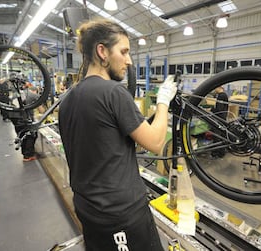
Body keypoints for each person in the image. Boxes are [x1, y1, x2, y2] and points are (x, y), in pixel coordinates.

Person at [58, 19, 177, 251]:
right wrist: (163, 103)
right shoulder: (113, 93)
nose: (129, 61)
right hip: (120, 215)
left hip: (88, 208)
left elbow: (103, 143)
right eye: (123, 52)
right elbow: (155, 142)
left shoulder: (68, 99)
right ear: (102, 51)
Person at [10, 86, 45, 161]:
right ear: (35, 91)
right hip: (23, 118)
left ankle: (25, 153)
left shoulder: (18, 93)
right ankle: (28, 156)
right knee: (31, 134)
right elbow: (41, 110)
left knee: (22, 134)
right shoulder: (34, 95)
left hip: (13, 117)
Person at [210, 86, 229, 158]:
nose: (215, 90)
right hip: (223, 118)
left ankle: (215, 154)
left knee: (216, 137)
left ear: (219, 88)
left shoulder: (221, 96)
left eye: (215, 88)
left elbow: (219, 109)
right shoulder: (225, 95)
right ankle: (221, 153)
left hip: (219, 119)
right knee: (221, 136)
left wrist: (211, 110)